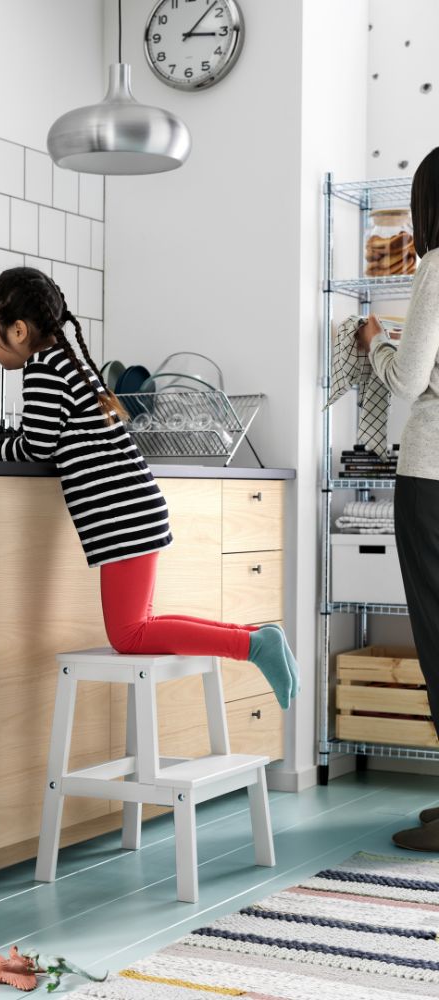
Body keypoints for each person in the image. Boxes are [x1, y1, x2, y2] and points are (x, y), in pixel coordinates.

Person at [0, 267, 300, 710]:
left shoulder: (43, 371)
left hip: (121, 517)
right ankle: (255, 639)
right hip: (133, 509)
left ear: (18, 330)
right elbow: (50, 438)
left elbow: (36, 448)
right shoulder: (65, 361)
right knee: (140, 624)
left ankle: (254, 646)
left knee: (129, 635)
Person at [356, 146, 439, 853]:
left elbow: (409, 382)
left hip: (434, 477)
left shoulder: (438, 268)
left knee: (438, 639)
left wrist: (376, 342)